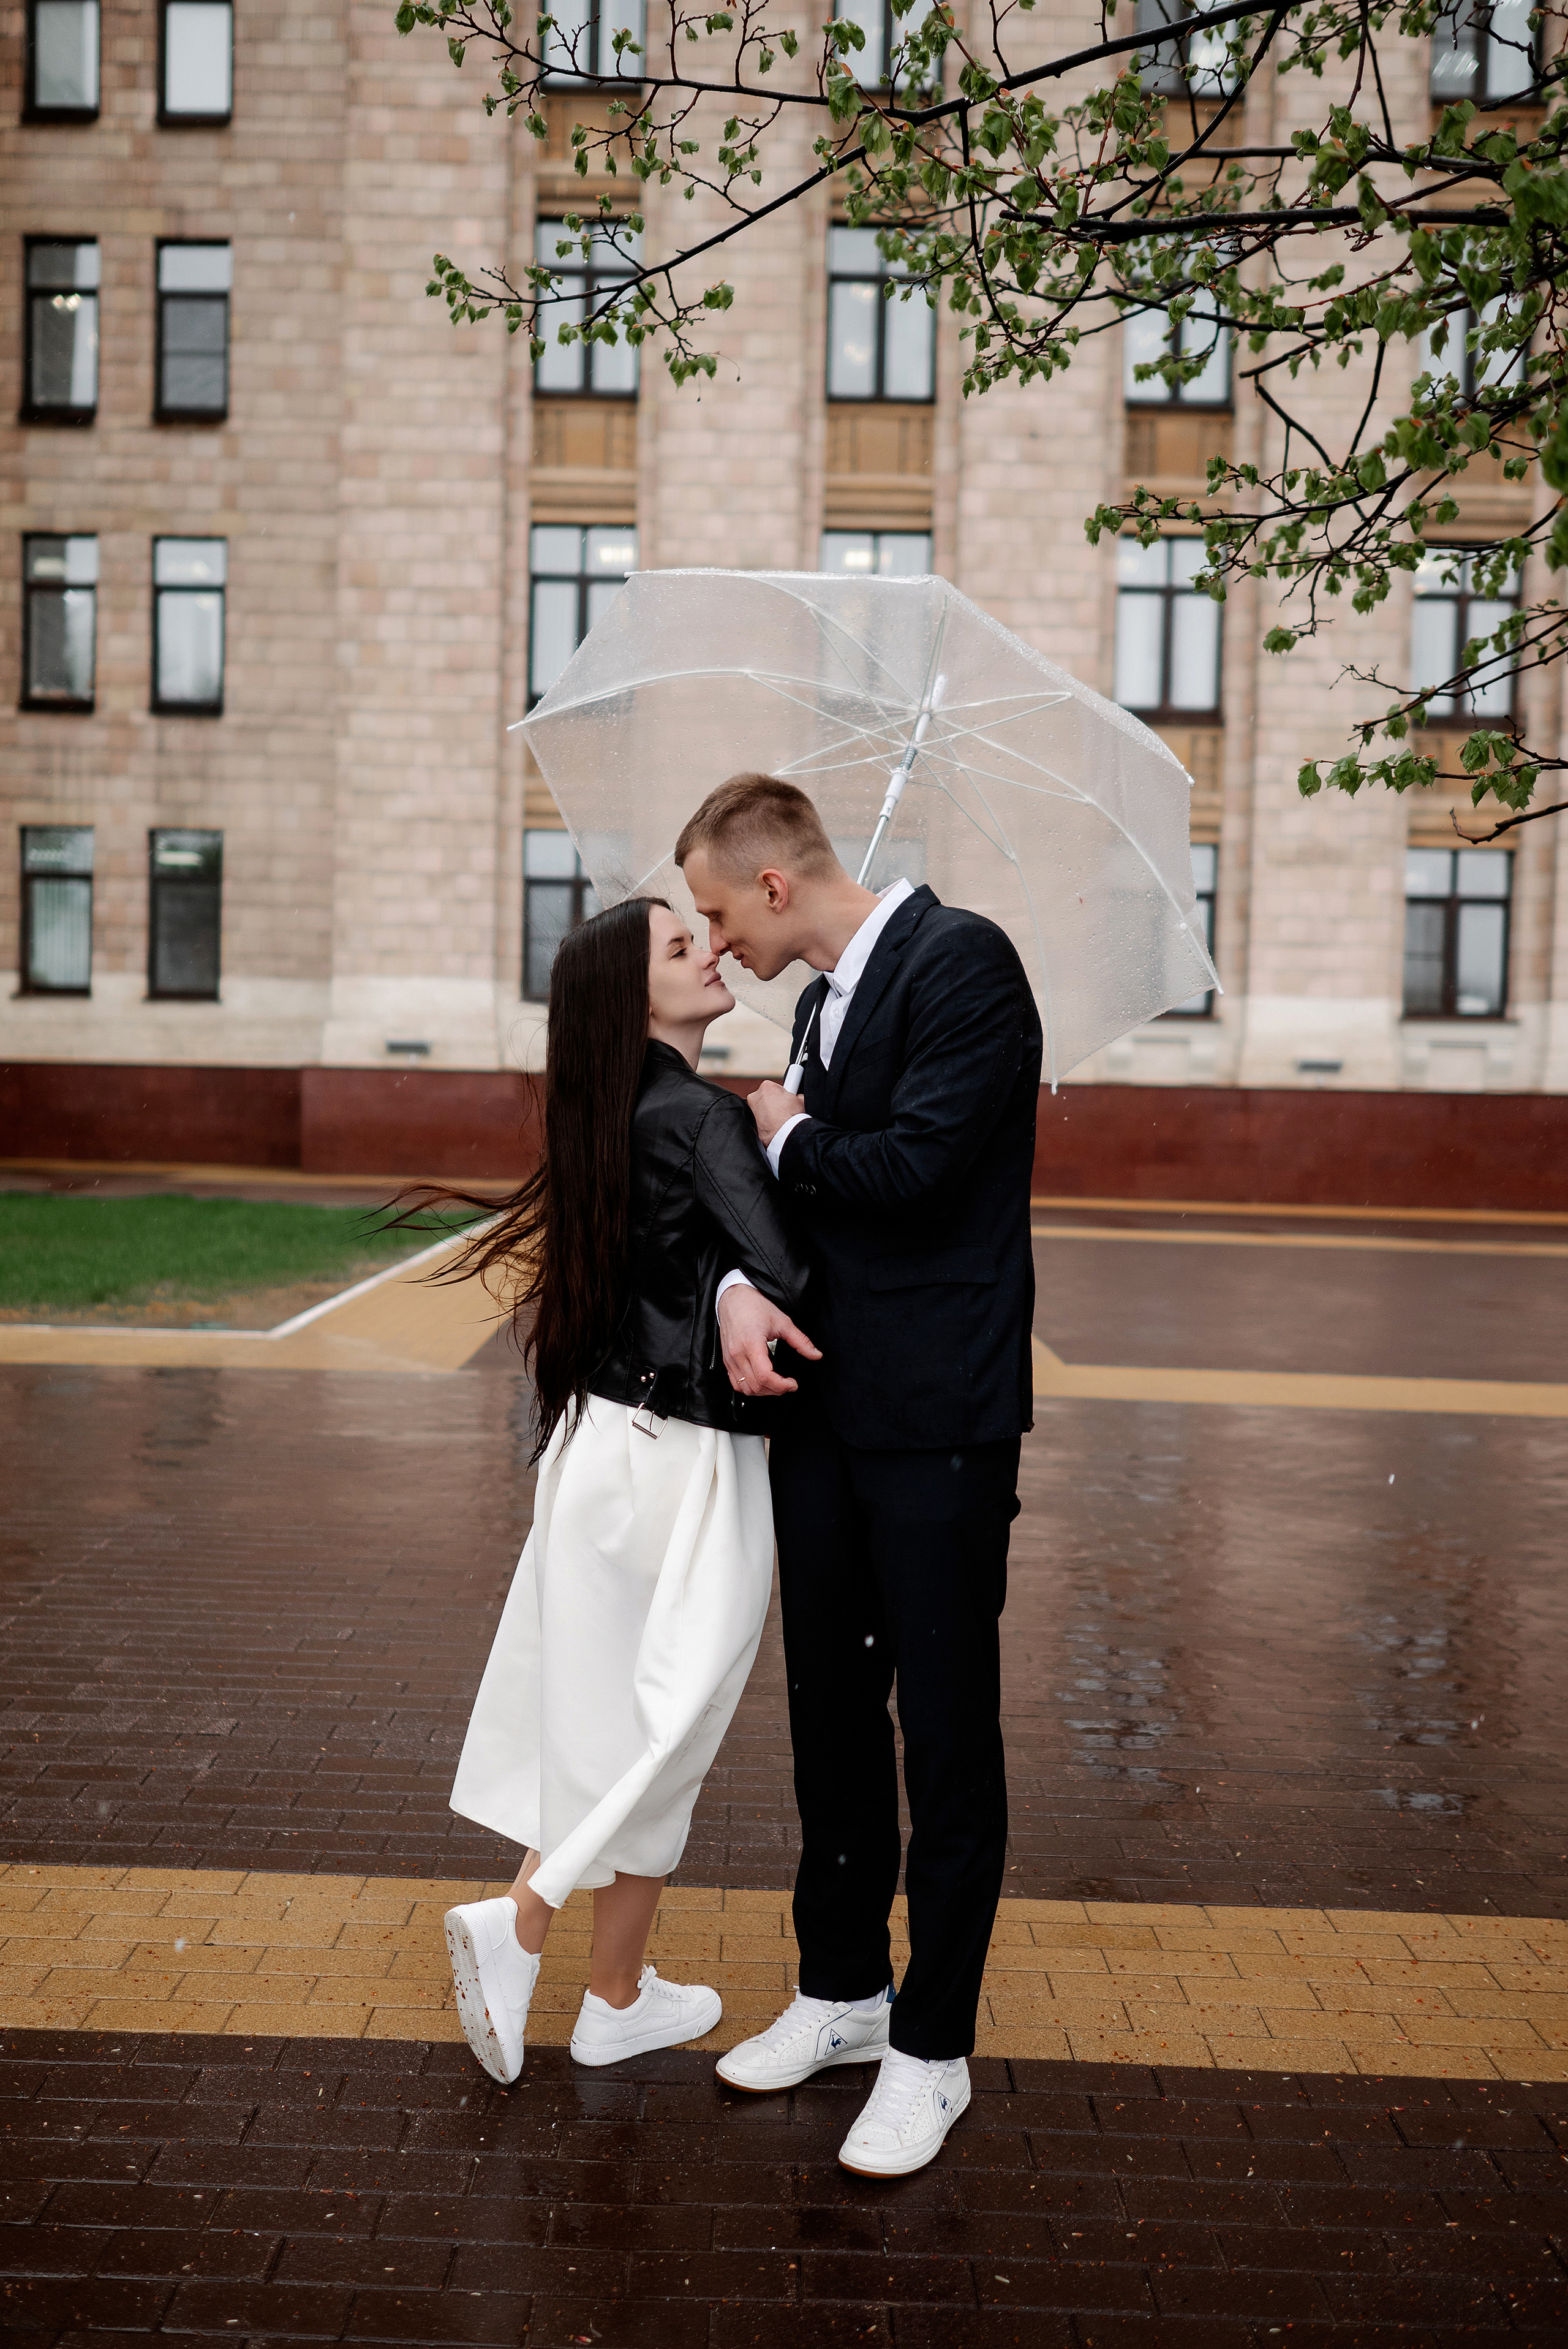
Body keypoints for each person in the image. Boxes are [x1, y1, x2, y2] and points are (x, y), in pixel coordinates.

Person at [676, 773, 1043, 2179]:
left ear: (775, 885)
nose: (714, 947)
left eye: (718, 913)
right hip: (823, 1413)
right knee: (828, 1711)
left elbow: (921, 1172)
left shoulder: (964, 962)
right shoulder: (820, 1006)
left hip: (939, 1419)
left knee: (942, 1732)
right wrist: (728, 1275)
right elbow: (786, 1208)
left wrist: (783, 1131)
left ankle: (929, 2048)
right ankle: (839, 1992)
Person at [426, 893, 815, 2085]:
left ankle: (614, 1996)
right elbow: (792, 1268)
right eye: (679, 946)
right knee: (674, 1718)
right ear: (630, 995)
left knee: (619, 1723)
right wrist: (782, 1137)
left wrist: (728, 1262)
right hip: (686, 1460)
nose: (710, 952)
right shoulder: (698, 1115)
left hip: (598, 1446)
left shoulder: (601, 1111)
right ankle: (527, 1913)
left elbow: (690, 1264)